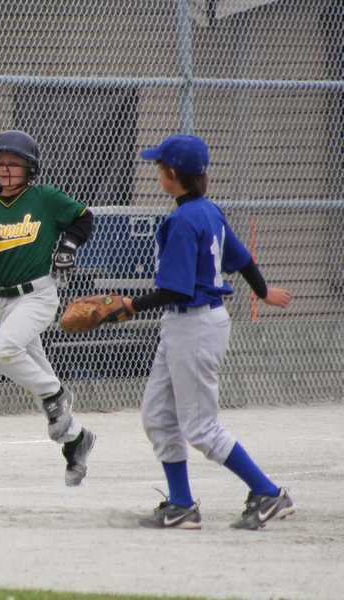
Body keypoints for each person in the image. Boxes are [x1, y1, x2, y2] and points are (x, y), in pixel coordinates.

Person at [121, 135, 294, 530]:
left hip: (195, 325)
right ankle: (182, 504)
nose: (157, 172)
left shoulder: (184, 220)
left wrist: (130, 306)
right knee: (158, 416)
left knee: (200, 427)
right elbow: (242, 258)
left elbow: (177, 289)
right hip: (185, 324)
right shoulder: (207, 211)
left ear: (172, 174)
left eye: (159, 167)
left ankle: (268, 492)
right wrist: (262, 291)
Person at [0, 130, 97, 486]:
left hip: (38, 294)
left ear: (30, 168)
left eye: (14, 164)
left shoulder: (44, 198)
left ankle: (56, 393)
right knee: (35, 372)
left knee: (2, 355)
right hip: (3, 300)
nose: (5, 170)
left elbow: (84, 218)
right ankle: (77, 440)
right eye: (0, 163)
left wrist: (67, 246)